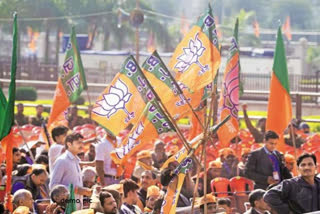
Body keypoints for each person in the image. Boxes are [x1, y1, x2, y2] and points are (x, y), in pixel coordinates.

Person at [49, 133, 92, 209]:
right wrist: (76, 190)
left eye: (82, 142)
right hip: (65, 207)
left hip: (76, 206)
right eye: (78, 143)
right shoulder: (62, 160)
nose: (82, 145)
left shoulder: (76, 161)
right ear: (69, 144)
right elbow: (53, 186)